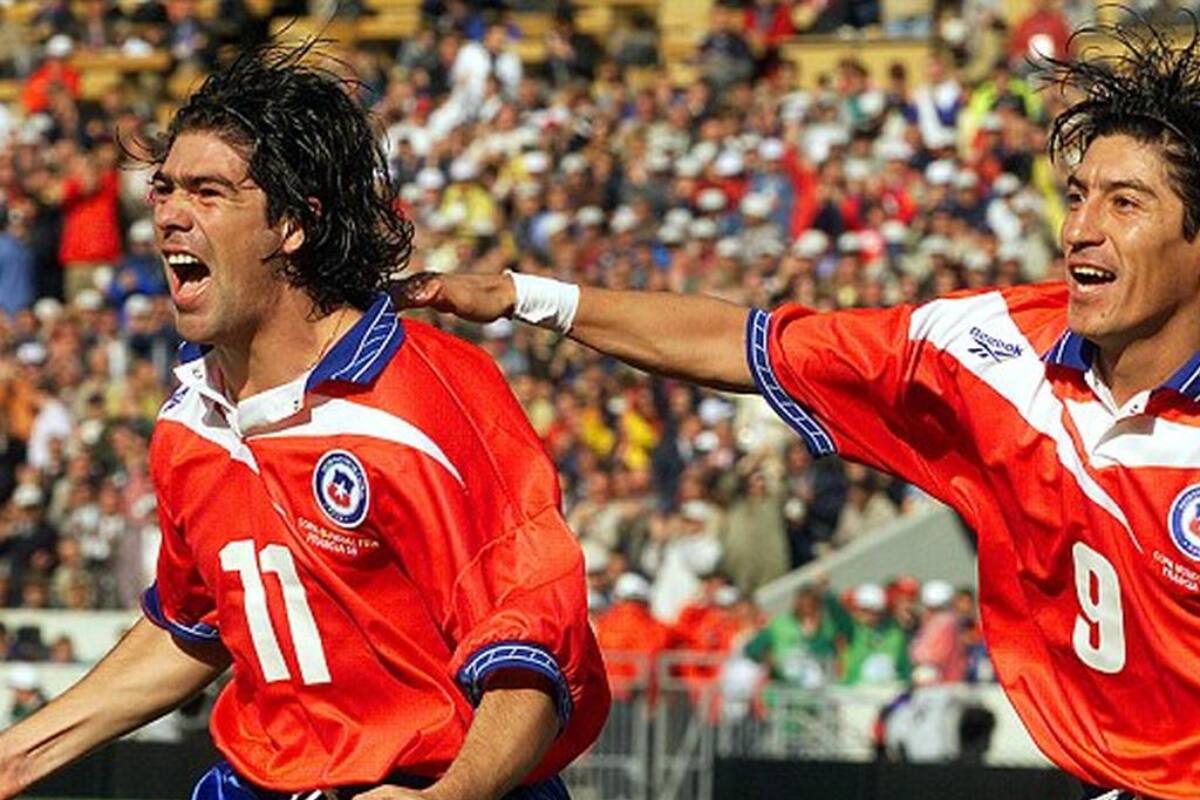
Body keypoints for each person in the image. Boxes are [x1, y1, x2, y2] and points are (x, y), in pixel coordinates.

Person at [394, 18, 1200, 800]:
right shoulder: (984, 349)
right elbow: (740, 343)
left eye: (1125, 204)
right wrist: (521, 294)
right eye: (1077, 195)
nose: (1082, 229)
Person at [0, 42, 608, 800]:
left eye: (209, 192)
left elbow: (532, 651)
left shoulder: (423, 394)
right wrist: (16, 757)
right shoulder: (191, 422)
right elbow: (193, 626)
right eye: (163, 190)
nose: (169, 217)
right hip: (261, 782)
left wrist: (446, 799)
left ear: (293, 224)